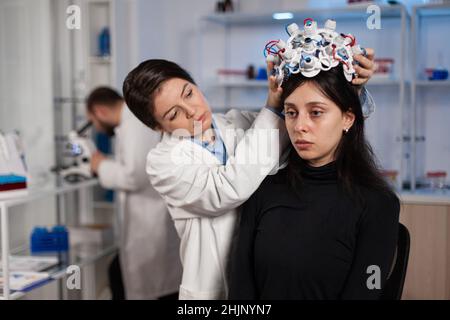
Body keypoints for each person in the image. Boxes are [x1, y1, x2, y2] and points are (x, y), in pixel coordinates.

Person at [122, 55, 375, 299]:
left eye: (188, 93)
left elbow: (306, 132)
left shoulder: (238, 122)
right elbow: (227, 189)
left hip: (263, 278)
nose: (191, 110)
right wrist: (273, 106)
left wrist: (352, 89)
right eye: (173, 114)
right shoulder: (163, 162)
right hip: (216, 289)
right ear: (158, 127)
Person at [229, 64, 400, 300]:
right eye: (291, 112)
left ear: (348, 118)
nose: (300, 126)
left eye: (316, 112)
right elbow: (241, 288)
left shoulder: (378, 203)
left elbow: (367, 290)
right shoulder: (263, 188)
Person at [86, 87, 182, 299]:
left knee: (158, 286)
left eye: (92, 120)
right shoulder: (130, 122)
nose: (96, 128)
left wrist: (101, 165)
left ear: (100, 111)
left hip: (151, 222)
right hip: (147, 220)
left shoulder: (135, 122)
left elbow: (135, 175)